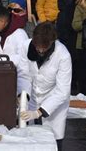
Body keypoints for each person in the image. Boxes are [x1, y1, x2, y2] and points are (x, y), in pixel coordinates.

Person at [18, 22, 72, 150]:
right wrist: (22, 95)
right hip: (32, 97)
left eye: (44, 47)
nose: (41, 50)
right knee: (29, 141)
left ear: (53, 41)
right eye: (38, 47)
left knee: (53, 142)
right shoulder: (26, 46)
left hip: (53, 100)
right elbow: (23, 75)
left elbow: (62, 91)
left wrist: (39, 112)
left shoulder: (63, 55)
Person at [0, 5, 29, 92]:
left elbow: (24, 58)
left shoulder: (19, 34)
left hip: (21, 84)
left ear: (2, 21)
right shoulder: (1, 35)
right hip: (7, 81)